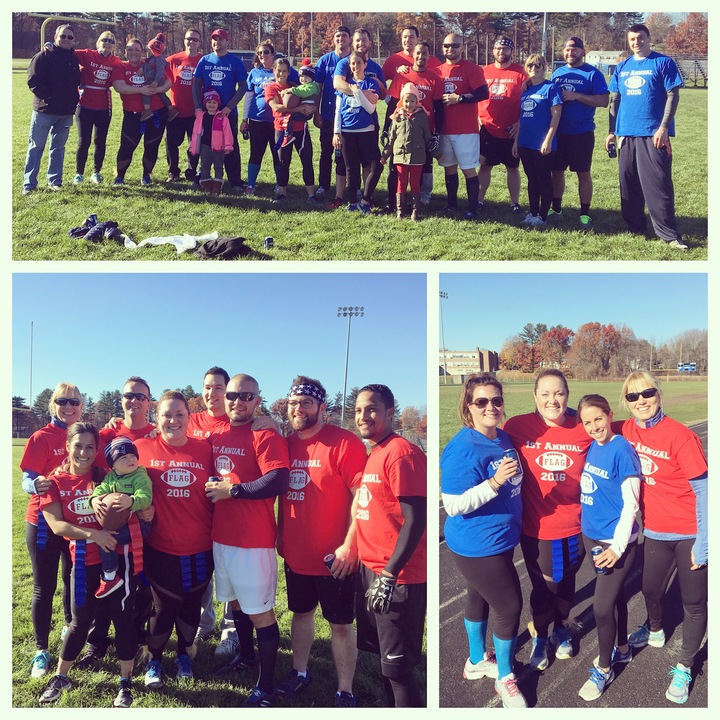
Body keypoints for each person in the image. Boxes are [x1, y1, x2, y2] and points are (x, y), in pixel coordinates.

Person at [276, 377, 367, 707]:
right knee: (300, 614)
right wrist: (280, 534)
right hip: (296, 555)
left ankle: (345, 689)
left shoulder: (344, 443)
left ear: (322, 409)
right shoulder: (285, 444)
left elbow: (362, 498)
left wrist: (350, 545)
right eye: (293, 403)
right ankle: (300, 672)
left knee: (340, 625)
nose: (298, 409)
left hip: (336, 558)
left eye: (306, 403)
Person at [37, 422, 141, 708]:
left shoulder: (107, 477)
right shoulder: (54, 482)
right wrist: (92, 533)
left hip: (118, 558)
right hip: (83, 560)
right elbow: (57, 525)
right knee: (79, 621)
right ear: (68, 446)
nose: (83, 452)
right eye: (78, 445)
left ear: (97, 450)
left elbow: (137, 498)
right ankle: (61, 676)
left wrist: (134, 505)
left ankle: (125, 682)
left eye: (90, 447)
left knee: (122, 619)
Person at [619, 371, 707, 704]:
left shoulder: (681, 437)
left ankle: (685, 665)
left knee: (694, 603)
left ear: (659, 394)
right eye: (633, 396)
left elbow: (705, 490)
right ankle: (654, 630)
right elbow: (591, 423)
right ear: (626, 403)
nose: (641, 401)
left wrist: (705, 542)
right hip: (654, 529)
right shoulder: (625, 430)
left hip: (689, 531)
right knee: (650, 589)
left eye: (647, 393)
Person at [440, 374, 526, 708]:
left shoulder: (502, 437)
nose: (491, 407)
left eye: (496, 400)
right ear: (469, 407)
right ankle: (505, 678)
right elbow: (453, 505)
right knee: (509, 606)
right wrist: (493, 483)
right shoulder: (463, 448)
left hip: (500, 538)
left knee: (478, 596)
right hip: (478, 544)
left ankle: (476, 661)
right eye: (481, 401)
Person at [205, 374, 290, 707]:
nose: (237, 401)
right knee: (235, 603)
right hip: (221, 537)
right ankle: (247, 656)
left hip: (252, 542)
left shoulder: (265, 433)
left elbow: (278, 480)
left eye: (246, 396)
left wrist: (234, 491)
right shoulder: (217, 431)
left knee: (261, 613)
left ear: (257, 400)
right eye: (232, 395)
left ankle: (265, 687)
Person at [502, 369, 592, 673]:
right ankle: (541, 636)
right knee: (544, 587)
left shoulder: (583, 426)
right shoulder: (516, 427)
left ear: (568, 395)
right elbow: (483, 441)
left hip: (578, 525)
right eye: (545, 394)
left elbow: (615, 433)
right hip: (537, 527)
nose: (552, 400)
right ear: (535, 396)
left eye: (559, 393)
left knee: (567, 581)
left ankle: (560, 628)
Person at [353, 384, 427, 707]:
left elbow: (416, 520)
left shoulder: (401, 452)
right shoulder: (375, 451)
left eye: (371, 409)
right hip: (372, 572)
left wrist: (389, 575)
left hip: (397, 579)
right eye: (357, 410)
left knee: (399, 670)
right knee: (386, 666)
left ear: (389, 412)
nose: (362, 416)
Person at [135, 391, 215, 687]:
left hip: (200, 546)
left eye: (179, 414)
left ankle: (184, 654)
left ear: (189, 418)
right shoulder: (141, 448)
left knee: (192, 604)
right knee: (164, 607)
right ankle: (154, 659)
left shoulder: (205, 449)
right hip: (160, 546)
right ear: (157, 419)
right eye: (167, 415)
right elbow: (114, 476)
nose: (173, 420)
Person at [575, 394, 641, 702]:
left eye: (598, 419)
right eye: (587, 422)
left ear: (609, 415)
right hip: (592, 537)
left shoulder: (621, 449)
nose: (593, 426)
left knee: (601, 607)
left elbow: (631, 503)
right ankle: (624, 650)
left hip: (615, 542)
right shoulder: (593, 447)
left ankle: (604, 668)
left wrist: (616, 546)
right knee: (613, 600)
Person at [607, 24, 686, 249]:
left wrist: (663, 127)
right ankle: (634, 226)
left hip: (653, 134)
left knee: (658, 185)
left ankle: (669, 235)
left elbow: (673, 95)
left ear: (648, 38)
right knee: (628, 184)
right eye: (632, 39)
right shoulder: (622, 67)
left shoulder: (663, 62)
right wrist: (612, 132)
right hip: (626, 134)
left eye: (640, 38)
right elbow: (615, 101)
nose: (636, 42)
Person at [20, 383, 81, 677]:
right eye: (62, 401)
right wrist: (35, 485)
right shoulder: (41, 436)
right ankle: (41, 651)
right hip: (43, 521)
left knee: (73, 581)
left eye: (74, 401)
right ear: (53, 405)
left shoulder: (84, 433)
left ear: (81, 405)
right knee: (44, 587)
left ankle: (70, 630)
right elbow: (26, 479)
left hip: (74, 521)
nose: (68, 406)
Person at [550, 37, 609, 230]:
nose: (570, 53)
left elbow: (603, 101)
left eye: (574, 50)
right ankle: (556, 208)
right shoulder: (557, 73)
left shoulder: (593, 74)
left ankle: (584, 213)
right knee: (556, 171)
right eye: (567, 50)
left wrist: (578, 96)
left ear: (583, 52)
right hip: (558, 132)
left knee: (583, 173)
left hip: (581, 133)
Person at [382, 41, 444, 212]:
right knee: (397, 166)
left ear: (428, 56)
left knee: (424, 165)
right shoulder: (402, 76)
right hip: (401, 130)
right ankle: (393, 199)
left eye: (424, 53)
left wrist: (437, 132)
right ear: (413, 55)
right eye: (417, 53)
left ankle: (423, 197)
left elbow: (439, 107)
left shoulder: (434, 78)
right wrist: (386, 128)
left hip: (424, 132)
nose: (420, 56)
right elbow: (392, 103)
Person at [90, 437, 153, 599]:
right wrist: (95, 499)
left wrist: (131, 501)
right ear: (112, 465)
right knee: (104, 536)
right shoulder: (111, 477)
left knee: (106, 539)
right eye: (123, 458)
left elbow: (146, 497)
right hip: (122, 522)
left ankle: (110, 576)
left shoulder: (140, 476)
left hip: (139, 524)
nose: (130, 460)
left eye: (133, 456)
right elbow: (101, 488)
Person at [22, 23, 81, 195]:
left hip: (65, 113)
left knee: (58, 148)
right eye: (63, 36)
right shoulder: (43, 56)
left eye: (70, 37)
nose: (66, 39)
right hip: (44, 111)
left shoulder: (73, 58)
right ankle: (29, 184)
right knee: (36, 147)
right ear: (55, 37)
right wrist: (49, 98)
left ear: (74, 40)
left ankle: (55, 181)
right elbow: (33, 81)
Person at [437, 34, 489, 220]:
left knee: (468, 169)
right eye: (447, 45)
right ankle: (451, 205)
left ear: (462, 47)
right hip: (445, 129)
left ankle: (472, 209)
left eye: (455, 45)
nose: (450, 49)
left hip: (466, 130)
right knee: (449, 168)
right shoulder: (438, 70)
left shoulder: (472, 68)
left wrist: (459, 98)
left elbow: (483, 93)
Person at [334, 28, 387, 204]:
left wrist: (368, 89)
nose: (361, 43)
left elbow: (382, 93)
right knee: (349, 166)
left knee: (370, 164)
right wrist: (359, 91)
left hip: (368, 125)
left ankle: (366, 197)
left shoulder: (375, 69)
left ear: (369, 43)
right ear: (352, 42)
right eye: (357, 40)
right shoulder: (344, 63)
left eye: (364, 40)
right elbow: (338, 85)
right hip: (348, 127)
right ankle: (349, 198)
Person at [110, 38, 172, 186]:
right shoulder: (121, 67)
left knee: (151, 145)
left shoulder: (150, 63)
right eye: (130, 49)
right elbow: (119, 87)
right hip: (132, 114)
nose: (133, 52)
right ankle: (120, 176)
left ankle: (146, 175)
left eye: (137, 50)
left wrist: (156, 89)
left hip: (156, 112)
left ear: (142, 52)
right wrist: (141, 90)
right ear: (125, 52)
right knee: (127, 145)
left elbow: (168, 81)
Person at [193, 28, 247, 192]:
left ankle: (235, 180)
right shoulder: (205, 60)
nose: (217, 42)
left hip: (227, 114)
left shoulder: (235, 62)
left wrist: (229, 106)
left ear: (226, 41)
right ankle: (203, 177)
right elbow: (196, 84)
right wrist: (197, 107)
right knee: (205, 145)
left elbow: (243, 86)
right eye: (214, 39)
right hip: (208, 113)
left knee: (230, 146)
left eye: (221, 39)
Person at [477, 36, 526, 215]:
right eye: (498, 48)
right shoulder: (483, 71)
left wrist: (520, 123)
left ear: (511, 51)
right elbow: (475, 95)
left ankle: (514, 203)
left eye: (505, 49)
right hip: (488, 128)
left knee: (512, 167)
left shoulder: (520, 73)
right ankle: (479, 201)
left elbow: (529, 101)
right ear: (493, 50)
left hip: (511, 130)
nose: (501, 52)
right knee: (484, 166)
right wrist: (478, 117)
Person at [512, 54, 562, 228]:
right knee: (531, 179)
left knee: (543, 179)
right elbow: (521, 117)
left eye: (538, 65)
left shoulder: (551, 88)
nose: (534, 68)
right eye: (530, 65)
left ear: (544, 67)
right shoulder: (525, 89)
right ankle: (532, 212)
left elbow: (556, 116)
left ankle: (542, 215)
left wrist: (548, 140)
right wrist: (516, 141)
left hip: (543, 144)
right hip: (525, 142)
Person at [380, 83, 440, 221]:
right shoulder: (397, 118)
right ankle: (400, 211)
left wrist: (437, 154)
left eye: (412, 101)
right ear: (402, 101)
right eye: (406, 101)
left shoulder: (422, 117)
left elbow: (428, 138)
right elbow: (391, 139)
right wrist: (385, 155)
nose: (409, 104)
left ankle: (415, 212)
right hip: (400, 156)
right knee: (401, 182)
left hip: (417, 157)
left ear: (417, 102)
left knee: (415, 183)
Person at [265, 57, 320, 205]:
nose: (281, 74)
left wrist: (311, 109)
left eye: (284, 71)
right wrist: (298, 109)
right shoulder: (271, 88)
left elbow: (311, 98)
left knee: (306, 160)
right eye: (279, 71)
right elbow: (276, 107)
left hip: (300, 128)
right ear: (274, 71)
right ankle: (282, 193)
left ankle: (311, 194)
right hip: (282, 130)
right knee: (283, 161)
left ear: (289, 72)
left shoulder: (296, 86)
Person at [72, 30, 123, 184]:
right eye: (104, 40)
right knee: (83, 141)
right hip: (84, 106)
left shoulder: (116, 61)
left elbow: (130, 68)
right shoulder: (88, 54)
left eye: (111, 41)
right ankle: (79, 174)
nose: (107, 43)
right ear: (97, 42)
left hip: (104, 108)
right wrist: (49, 47)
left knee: (100, 141)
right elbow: (66, 52)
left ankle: (96, 172)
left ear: (114, 46)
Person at [242, 40, 288, 196]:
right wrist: (244, 119)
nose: (263, 55)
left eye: (266, 52)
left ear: (273, 54)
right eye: (260, 53)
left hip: (278, 122)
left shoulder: (281, 70)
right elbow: (248, 97)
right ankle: (251, 185)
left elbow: (298, 84)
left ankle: (279, 184)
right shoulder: (254, 73)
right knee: (256, 153)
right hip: (257, 120)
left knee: (278, 154)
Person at [314, 26, 352, 205]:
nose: (341, 38)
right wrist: (316, 112)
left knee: (348, 154)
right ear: (334, 39)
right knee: (326, 151)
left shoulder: (355, 60)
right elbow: (318, 89)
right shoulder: (324, 60)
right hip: (329, 115)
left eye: (344, 35)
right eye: (338, 36)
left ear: (349, 39)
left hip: (351, 117)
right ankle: (323, 185)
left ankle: (352, 187)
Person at [164, 28, 203, 183]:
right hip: (176, 111)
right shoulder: (173, 60)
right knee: (171, 142)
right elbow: (156, 68)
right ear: (184, 40)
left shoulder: (204, 60)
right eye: (189, 38)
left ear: (199, 42)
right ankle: (173, 172)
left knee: (194, 144)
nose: (191, 42)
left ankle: (191, 170)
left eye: (195, 39)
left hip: (196, 112)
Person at [190, 89, 234, 195]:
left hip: (219, 147)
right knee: (205, 166)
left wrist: (228, 146)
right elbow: (195, 132)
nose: (211, 105)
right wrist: (193, 146)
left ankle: (217, 186)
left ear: (218, 104)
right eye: (209, 102)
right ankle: (207, 185)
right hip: (205, 146)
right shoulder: (201, 116)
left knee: (218, 166)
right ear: (205, 103)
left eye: (214, 102)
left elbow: (227, 132)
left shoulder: (222, 117)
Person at [278, 65, 320, 148]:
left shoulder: (312, 86)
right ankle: (288, 133)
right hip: (303, 109)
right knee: (290, 117)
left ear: (311, 77)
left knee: (290, 118)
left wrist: (291, 90)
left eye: (305, 76)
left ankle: (288, 135)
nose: (303, 78)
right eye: (301, 76)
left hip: (307, 110)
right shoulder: (303, 86)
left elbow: (303, 92)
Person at [139, 33, 177, 122]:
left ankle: (147, 110)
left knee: (145, 91)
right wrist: (141, 68)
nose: (148, 51)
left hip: (155, 80)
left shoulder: (159, 59)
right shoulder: (152, 58)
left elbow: (160, 72)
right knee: (161, 94)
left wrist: (156, 82)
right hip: (153, 79)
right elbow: (146, 64)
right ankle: (171, 109)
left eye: (150, 49)